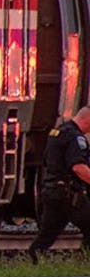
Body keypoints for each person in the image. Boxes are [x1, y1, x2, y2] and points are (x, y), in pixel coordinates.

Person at [28, 106, 90, 262]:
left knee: (47, 235)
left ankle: (32, 259)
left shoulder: (57, 132)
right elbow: (78, 167)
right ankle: (84, 259)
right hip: (69, 195)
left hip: (52, 192)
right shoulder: (76, 138)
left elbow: (47, 160)